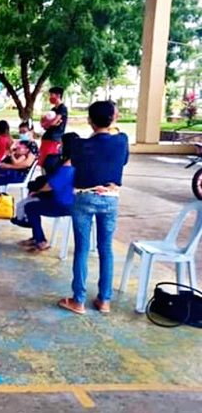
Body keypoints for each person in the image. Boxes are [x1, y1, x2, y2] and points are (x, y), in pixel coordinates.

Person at [58, 101, 129, 316]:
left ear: (90, 120)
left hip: (84, 197)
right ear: (114, 118)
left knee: (82, 248)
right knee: (105, 248)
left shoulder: (79, 145)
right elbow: (123, 161)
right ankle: (104, 300)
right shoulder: (122, 140)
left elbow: (75, 164)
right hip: (110, 198)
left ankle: (78, 300)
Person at [18, 133, 77, 253]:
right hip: (75, 202)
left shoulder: (66, 167)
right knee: (36, 200)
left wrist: (37, 191)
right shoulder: (82, 164)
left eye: (62, 144)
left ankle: (40, 241)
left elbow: (51, 186)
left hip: (62, 204)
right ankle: (36, 236)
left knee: (30, 207)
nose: (59, 146)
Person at [39, 87, 68, 166]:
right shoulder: (53, 109)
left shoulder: (62, 109)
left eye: (52, 95)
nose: (50, 98)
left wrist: (49, 123)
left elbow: (53, 122)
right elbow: (45, 123)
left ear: (58, 96)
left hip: (54, 139)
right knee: (43, 162)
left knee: (50, 162)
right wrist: (47, 123)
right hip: (47, 137)